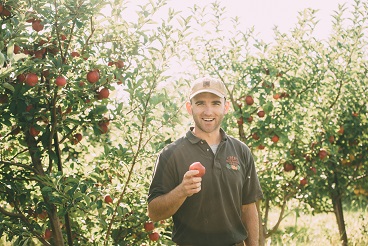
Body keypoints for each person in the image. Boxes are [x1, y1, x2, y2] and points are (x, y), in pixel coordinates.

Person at [147, 76, 263, 246]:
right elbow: (154, 212)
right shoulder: (171, 154)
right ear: (189, 107)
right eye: (200, 103)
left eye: (215, 103)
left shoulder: (241, 151)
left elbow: (248, 207)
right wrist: (182, 191)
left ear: (226, 107)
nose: (208, 111)